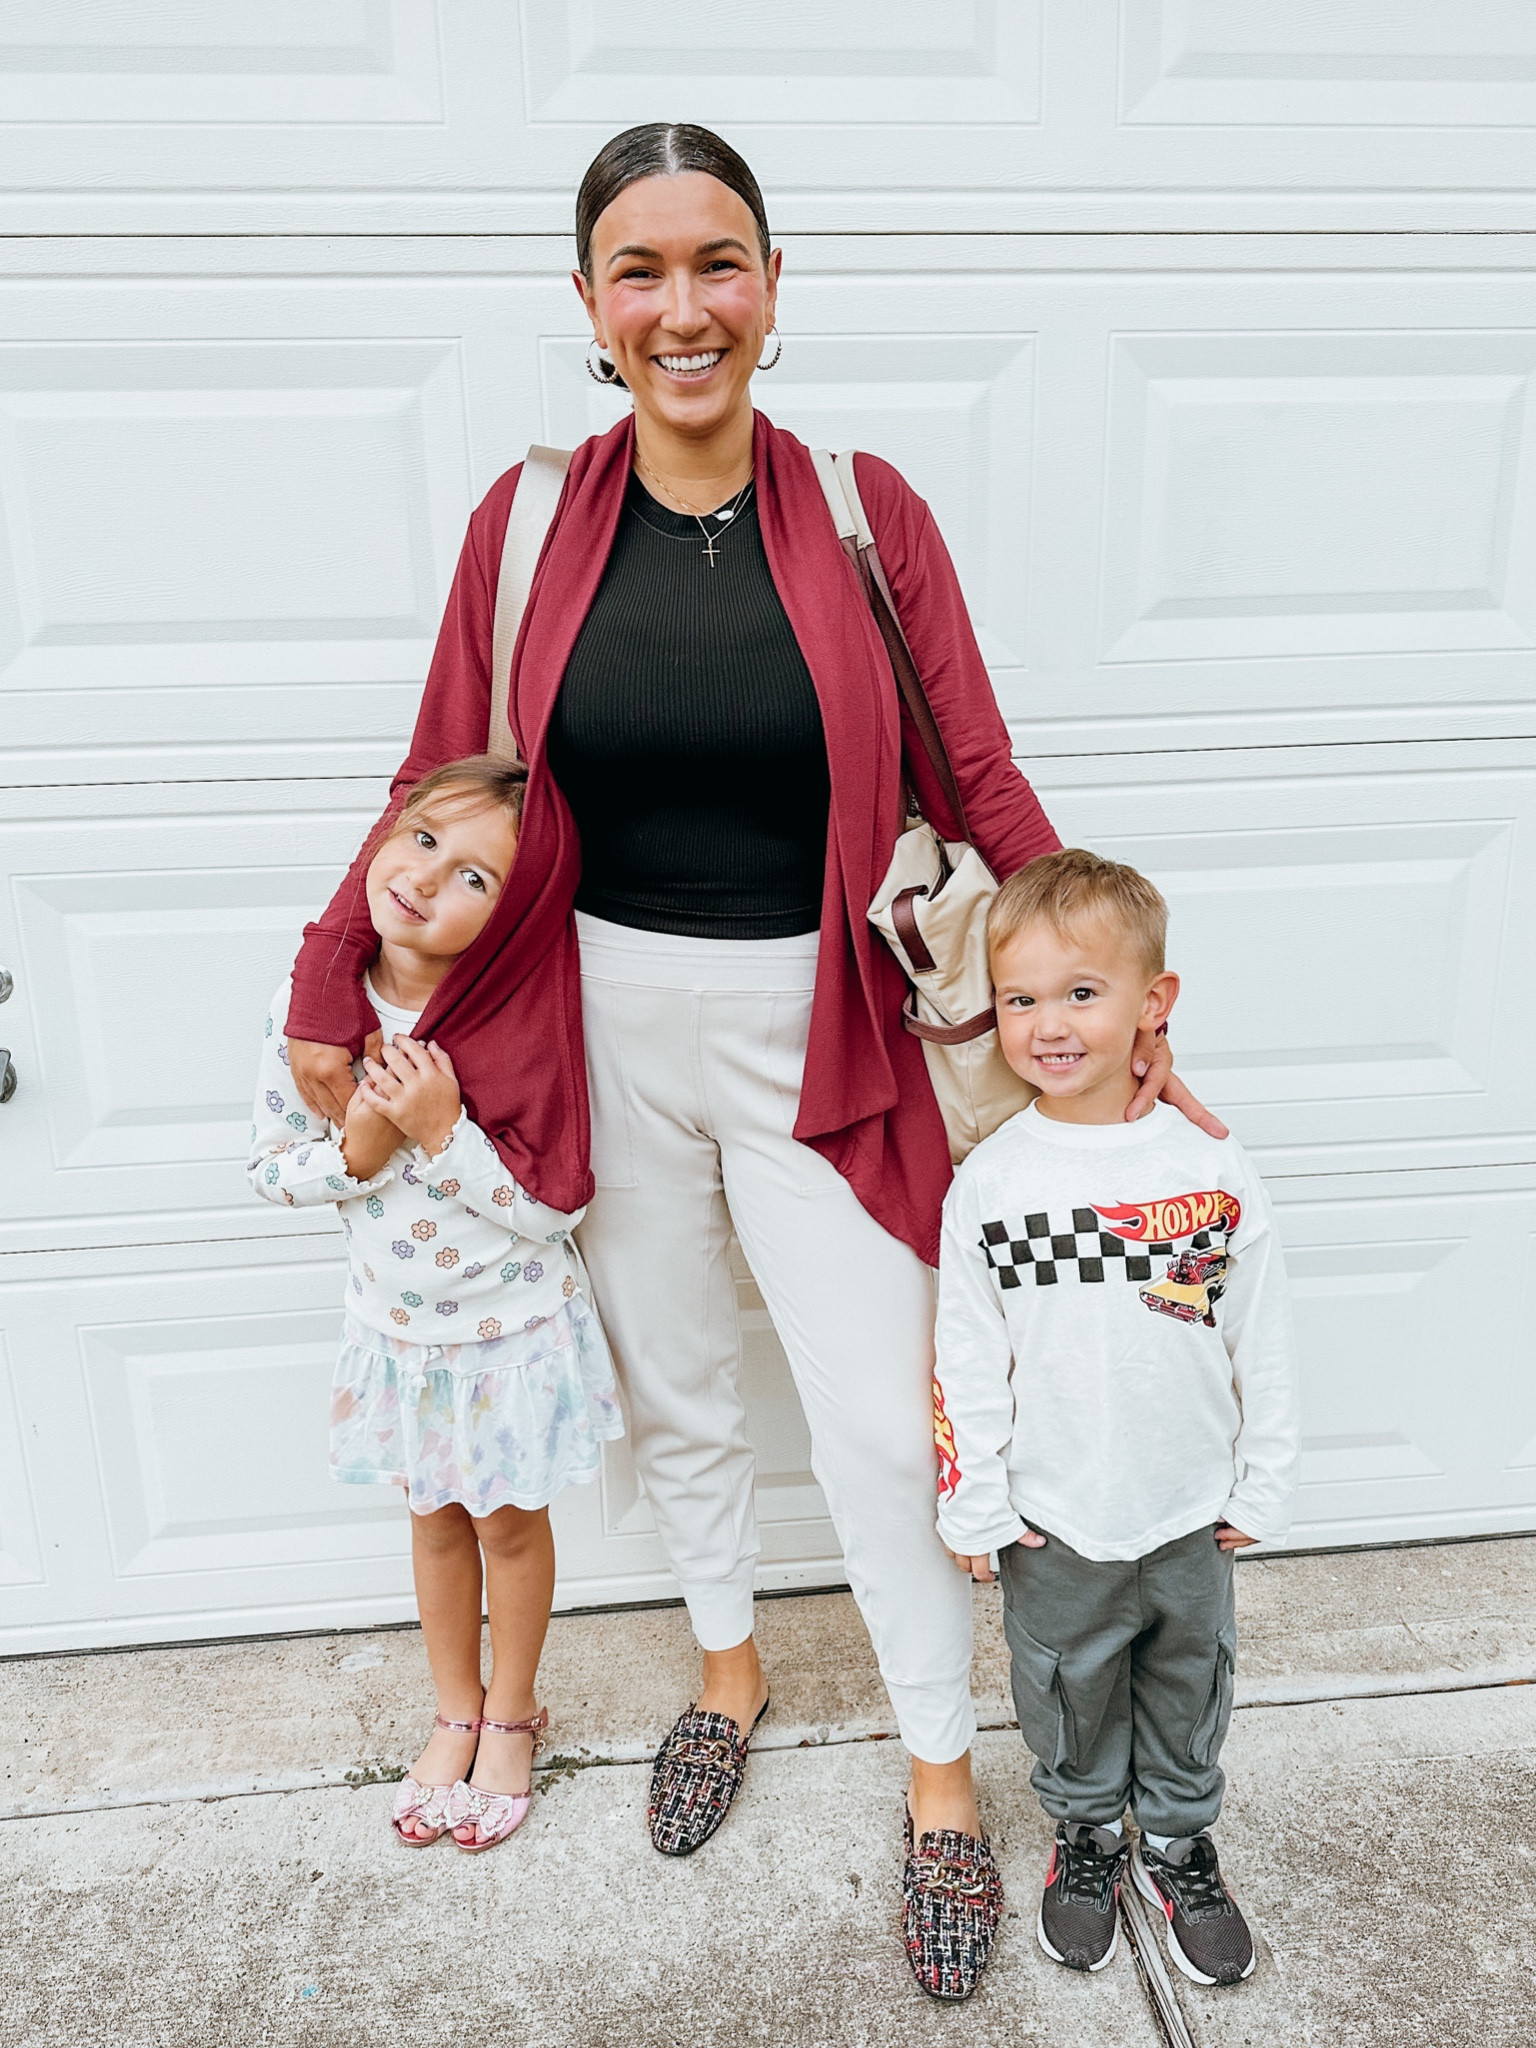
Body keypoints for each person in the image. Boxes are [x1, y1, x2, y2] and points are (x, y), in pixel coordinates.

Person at [280, 122, 1220, 1998]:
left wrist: (1111, 1011)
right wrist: (328, 980)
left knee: (881, 1421)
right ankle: (728, 1665)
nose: (683, 304)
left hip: (828, 1015)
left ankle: (942, 1781)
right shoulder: (530, 519)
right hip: (589, 1013)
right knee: (679, 1384)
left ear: (773, 288)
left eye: (719, 262)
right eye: (641, 270)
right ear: (590, 307)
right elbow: (434, 779)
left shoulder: (866, 506)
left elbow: (977, 773)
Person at [934, 849, 1298, 1988]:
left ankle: (1179, 1843)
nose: (1048, 1022)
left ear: (1154, 1002)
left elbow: (1263, 1332)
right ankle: (1086, 1836)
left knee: (1189, 1682)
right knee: (1067, 1685)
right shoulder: (992, 1184)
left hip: (1189, 1509)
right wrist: (976, 1498)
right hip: (1056, 1516)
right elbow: (965, 1354)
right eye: (1020, 997)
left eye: (1081, 992)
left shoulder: (1209, 1165)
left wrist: (1263, 1478)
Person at [249, 756, 622, 1854]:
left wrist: (443, 1131)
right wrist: (360, 1149)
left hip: (508, 1332)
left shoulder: (522, 1010)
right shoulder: (308, 1008)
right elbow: (271, 1165)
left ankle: (512, 1714)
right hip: (401, 1336)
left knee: (508, 1524)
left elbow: (553, 1204)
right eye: (420, 839)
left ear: (515, 918)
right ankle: (453, 1706)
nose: (423, 879)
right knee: (434, 1520)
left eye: (474, 877)